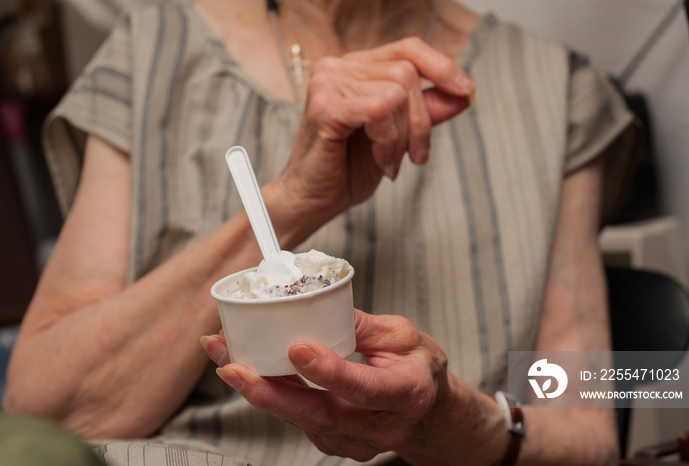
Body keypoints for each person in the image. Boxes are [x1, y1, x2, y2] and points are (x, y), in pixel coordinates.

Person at [3, 0, 634, 464]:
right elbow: (41, 419)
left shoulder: (556, 87)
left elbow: (586, 429)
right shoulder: (151, 50)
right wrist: (290, 202)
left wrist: (447, 419)